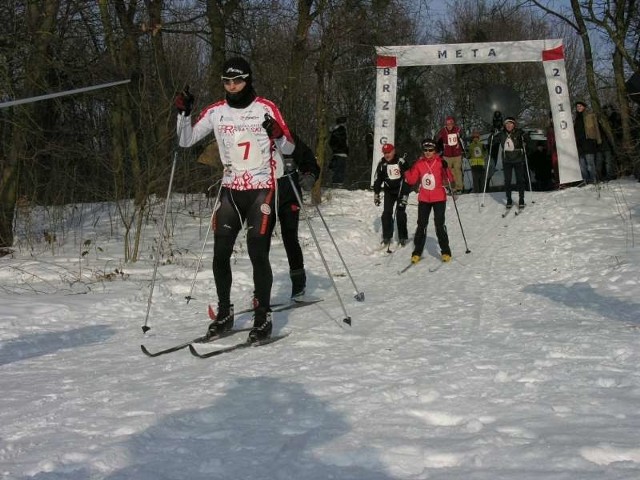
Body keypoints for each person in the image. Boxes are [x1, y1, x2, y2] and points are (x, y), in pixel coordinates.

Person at [175, 57, 295, 343]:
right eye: (227, 82)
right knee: (220, 254)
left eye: (237, 81)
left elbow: (289, 146)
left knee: (257, 254)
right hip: (230, 189)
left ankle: (263, 314)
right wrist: (183, 113)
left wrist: (278, 135)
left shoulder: (266, 108)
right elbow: (185, 140)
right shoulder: (217, 111)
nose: (232, 87)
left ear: (248, 80)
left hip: (261, 188)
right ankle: (225, 312)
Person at [278, 131, 320, 299]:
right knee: (260, 241)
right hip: (264, 195)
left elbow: (308, 158)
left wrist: (309, 175)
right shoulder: (251, 134)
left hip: (289, 193)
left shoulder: (286, 135)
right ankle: (260, 292)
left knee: (289, 237)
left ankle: (298, 285)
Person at [403, 138, 454, 264]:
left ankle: (446, 251)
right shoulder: (419, 164)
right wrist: (406, 170)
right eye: (425, 150)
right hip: (424, 198)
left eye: (430, 150)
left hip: (439, 198)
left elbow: (449, 180)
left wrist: (446, 169)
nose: (428, 152)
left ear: (435, 150)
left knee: (439, 224)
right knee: (421, 225)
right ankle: (417, 252)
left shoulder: (440, 162)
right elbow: (411, 180)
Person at [372, 143, 411, 247]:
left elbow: (409, 179)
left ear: (393, 151)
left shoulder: (401, 162)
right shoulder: (382, 163)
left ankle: (402, 236)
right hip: (389, 191)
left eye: (389, 152)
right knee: (386, 213)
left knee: (400, 213)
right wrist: (376, 193)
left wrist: (405, 194)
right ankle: (387, 236)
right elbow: (378, 179)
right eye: (385, 153)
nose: (387, 155)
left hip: (401, 190)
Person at [492, 117, 528, 209]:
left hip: (518, 159)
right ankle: (509, 199)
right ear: (505, 125)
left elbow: (528, 139)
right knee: (507, 181)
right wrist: (492, 135)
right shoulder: (501, 134)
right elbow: (492, 142)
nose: (509, 126)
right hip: (507, 160)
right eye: (507, 124)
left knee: (520, 180)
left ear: (514, 124)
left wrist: (525, 137)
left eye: (510, 123)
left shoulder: (519, 132)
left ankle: (521, 199)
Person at [435, 116, 465, 193]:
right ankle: (451, 187)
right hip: (447, 155)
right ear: (446, 124)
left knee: (457, 170)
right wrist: (439, 150)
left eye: (450, 123)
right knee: (448, 171)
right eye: (447, 124)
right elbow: (438, 141)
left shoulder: (457, 130)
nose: (449, 125)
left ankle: (459, 187)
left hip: (457, 154)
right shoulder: (443, 131)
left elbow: (462, 137)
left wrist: (460, 137)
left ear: (453, 123)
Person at [573, 100, 601, 183]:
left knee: (590, 163)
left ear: (584, 107)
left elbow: (596, 127)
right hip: (579, 143)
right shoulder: (575, 118)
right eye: (577, 106)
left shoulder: (590, 115)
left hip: (588, 141)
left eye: (580, 106)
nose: (578, 108)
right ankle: (586, 180)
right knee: (582, 165)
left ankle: (593, 179)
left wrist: (598, 139)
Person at [328, 116, 348, 187]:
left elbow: (331, 142)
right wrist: (341, 148)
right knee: (340, 169)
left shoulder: (336, 131)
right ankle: (338, 184)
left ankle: (336, 183)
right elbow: (342, 142)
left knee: (337, 168)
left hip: (337, 152)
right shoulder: (341, 130)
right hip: (341, 152)